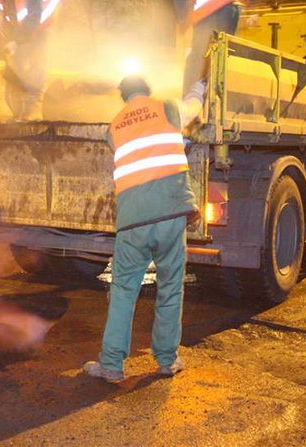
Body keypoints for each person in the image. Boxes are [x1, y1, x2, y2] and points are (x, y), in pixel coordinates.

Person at [83, 75, 199, 383]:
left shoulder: (114, 126)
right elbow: (193, 109)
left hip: (133, 220)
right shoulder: (167, 107)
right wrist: (198, 88)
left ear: (123, 97)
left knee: (123, 290)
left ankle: (111, 366)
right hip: (171, 212)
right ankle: (167, 360)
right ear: (149, 90)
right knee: (171, 286)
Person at [146, 0, 249, 126]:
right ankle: (211, 101)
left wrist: (183, 31)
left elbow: (182, 11)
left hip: (215, 9)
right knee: (217, 59)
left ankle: (188, 109)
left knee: (197, 58)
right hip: (233, 7)